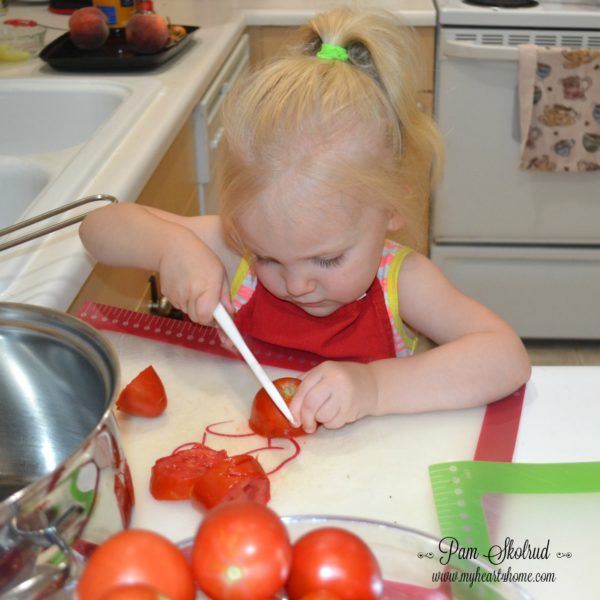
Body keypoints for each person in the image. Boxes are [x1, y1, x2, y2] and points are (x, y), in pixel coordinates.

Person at [80, 7, 531, 433]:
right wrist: (170, 246)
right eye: (269, 258)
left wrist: (374, 387)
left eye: (328, 260)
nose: (295, 284)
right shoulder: (235, 250)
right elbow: (98, 227)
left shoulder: (403, 282)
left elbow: (505, 358)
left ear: (392, 208)